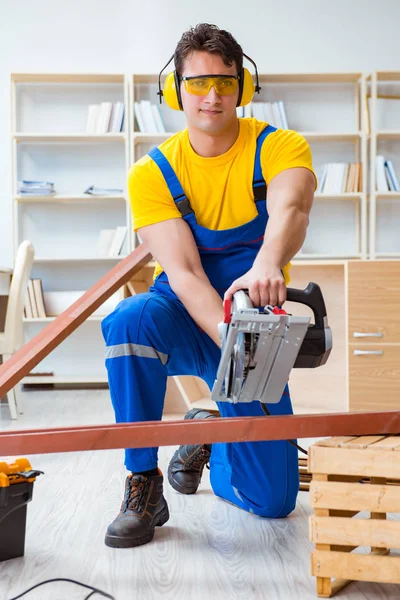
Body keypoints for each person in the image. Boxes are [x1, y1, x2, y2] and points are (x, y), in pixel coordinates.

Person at [101, 22, 316, 549]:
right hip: (188, 316)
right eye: (197, 83)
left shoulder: (281, 147)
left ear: (243, 86)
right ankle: (143, 482)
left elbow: (292, 208)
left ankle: (207, 436)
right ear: (176, 91)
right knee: (128, 322)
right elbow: (187, 275)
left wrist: (268, 263)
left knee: (274, 503)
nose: (212, 95)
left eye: (224, 81)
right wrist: (234, 350)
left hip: (254, 326)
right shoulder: (152, 173)